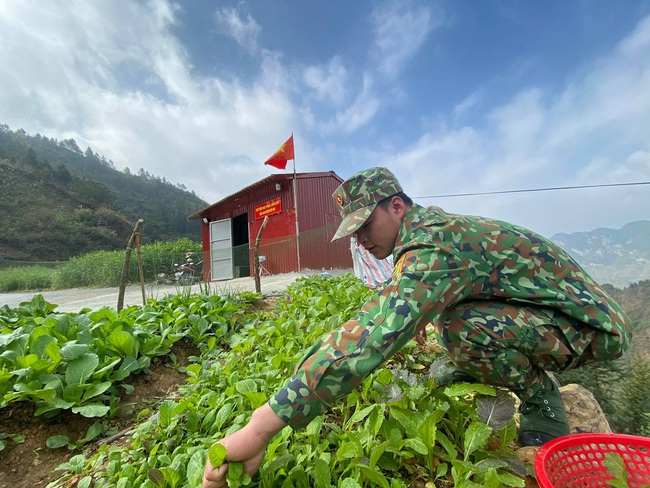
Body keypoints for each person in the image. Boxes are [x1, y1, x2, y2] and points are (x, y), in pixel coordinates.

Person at [203, 167, 633, 487]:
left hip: (591, 326)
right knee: (447, 321)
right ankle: (488, 365)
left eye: (365, 226)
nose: (360, 241)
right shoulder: (424, 234)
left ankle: (540, 396)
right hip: (545, 312)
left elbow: (375, 335)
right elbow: (388, 304)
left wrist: (259, 427)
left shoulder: (433, 246)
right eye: (353, 234)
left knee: (461, 328)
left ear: (397, 205)